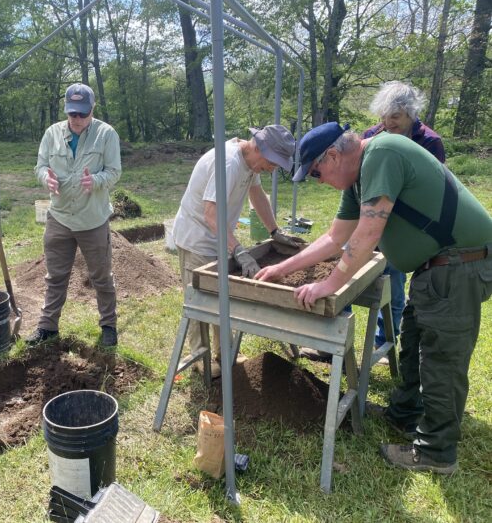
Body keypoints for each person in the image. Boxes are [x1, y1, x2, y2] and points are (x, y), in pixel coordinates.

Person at [258, 122, 492, 474]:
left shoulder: (382, 154)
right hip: (437, 268)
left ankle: (436, 453)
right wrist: (281, 269)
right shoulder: (359, 178)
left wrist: (330, 284)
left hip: (461, 263)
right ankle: (405, 413)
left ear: (334, 155)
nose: (319, 181)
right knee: (413, 340)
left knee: (441, 359)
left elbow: (368, 233)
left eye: (317, 172)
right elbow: (335, 238)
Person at [172, 125, 299, 378]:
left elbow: (257, 195)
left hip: (219, 236)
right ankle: (201, 356)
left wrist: (274, 231)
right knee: (199, 299)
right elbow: (210, 213)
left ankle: (224, 352)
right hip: (196, 237)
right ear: (259, 148)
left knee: (222, 296)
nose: (273, 169)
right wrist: (238, 249)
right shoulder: (229, 163)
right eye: (273, 163)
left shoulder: (251, 164)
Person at [27, 83, 122, 347]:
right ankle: (48, 327)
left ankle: (108, 326)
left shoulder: (106, 134)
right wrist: (46, 177)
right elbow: (40, 165)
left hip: (92, 219)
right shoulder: (52, 134)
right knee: (55, 276)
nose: (77, 119)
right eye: (72, 114)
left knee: (101, 277)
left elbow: (115, 171)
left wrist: (98, 181)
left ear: (92, 109)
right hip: (59, 217)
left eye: (82, 113)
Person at [365, 81, 446, 355]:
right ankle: (333, 344)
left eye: (395, 117)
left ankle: (383, 346)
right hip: (371, 217)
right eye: (384, 117)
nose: (388, 123)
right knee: (346, 274)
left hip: (402, 225)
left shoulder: (430, 142)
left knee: (393, 286)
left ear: (411, 113)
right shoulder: (372, 135)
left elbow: (433, 189)